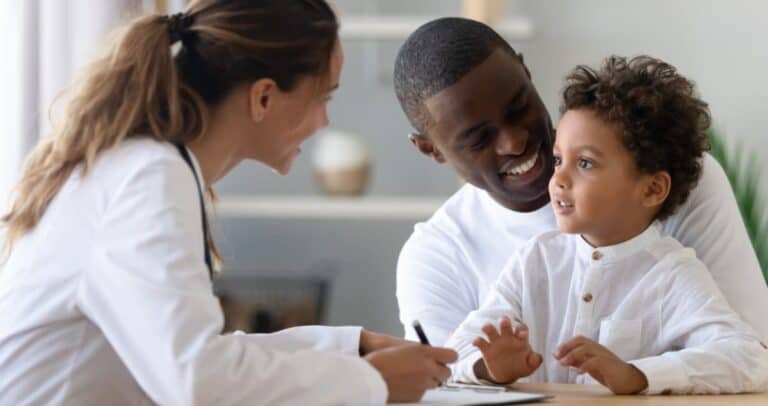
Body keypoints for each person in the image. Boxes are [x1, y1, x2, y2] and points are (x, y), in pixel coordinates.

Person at [0, 1, 456, 404]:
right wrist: (369, 381)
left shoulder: (144, 166)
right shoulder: (147, 179)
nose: (324, 121)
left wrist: (350, 348)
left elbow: (196, 354)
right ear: (262, 97)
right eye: (323, 97)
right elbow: (199, 383)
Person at [393, 17, 768, 347]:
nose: (515, 141)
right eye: (478, 139)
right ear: (432, 150)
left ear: (527, 74)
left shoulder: (673, 175)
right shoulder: (436, 257)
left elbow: (752, 355)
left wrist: (635, 376)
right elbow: (449, 387)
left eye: (518, 107)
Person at [445, 55, 768, 395]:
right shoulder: (535, 261)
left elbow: (750, 359)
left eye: (584, 163)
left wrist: (636, 375)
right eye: (558, 159)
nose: (558, 179)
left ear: (652, 188)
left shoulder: (672, 274)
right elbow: (453, 355)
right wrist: (490, 367)